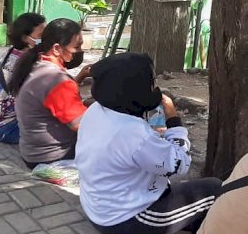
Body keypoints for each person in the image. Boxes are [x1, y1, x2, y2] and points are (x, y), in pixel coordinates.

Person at [76, 52, 222, 234]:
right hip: (126, 219)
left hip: (98, 207)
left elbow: (126, 147)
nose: (154, 87)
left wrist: (153, 138)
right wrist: (173, 120)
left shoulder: (96, 110)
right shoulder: (134, 133)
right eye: (150, 83)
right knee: (215, 188)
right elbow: (179, 164)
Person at [8, 18, 91, 168]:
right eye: (77, 47)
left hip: (32, 151)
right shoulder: (57, 80)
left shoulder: (36, 64)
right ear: (57, 49)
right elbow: (81, 125)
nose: (79, 52)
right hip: (53, 156)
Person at [0, 13, 46, 143]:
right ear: (26, 38)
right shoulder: (26, 62)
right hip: (2, 128)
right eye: (41, 36)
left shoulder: (12, 52)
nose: (46, 38)